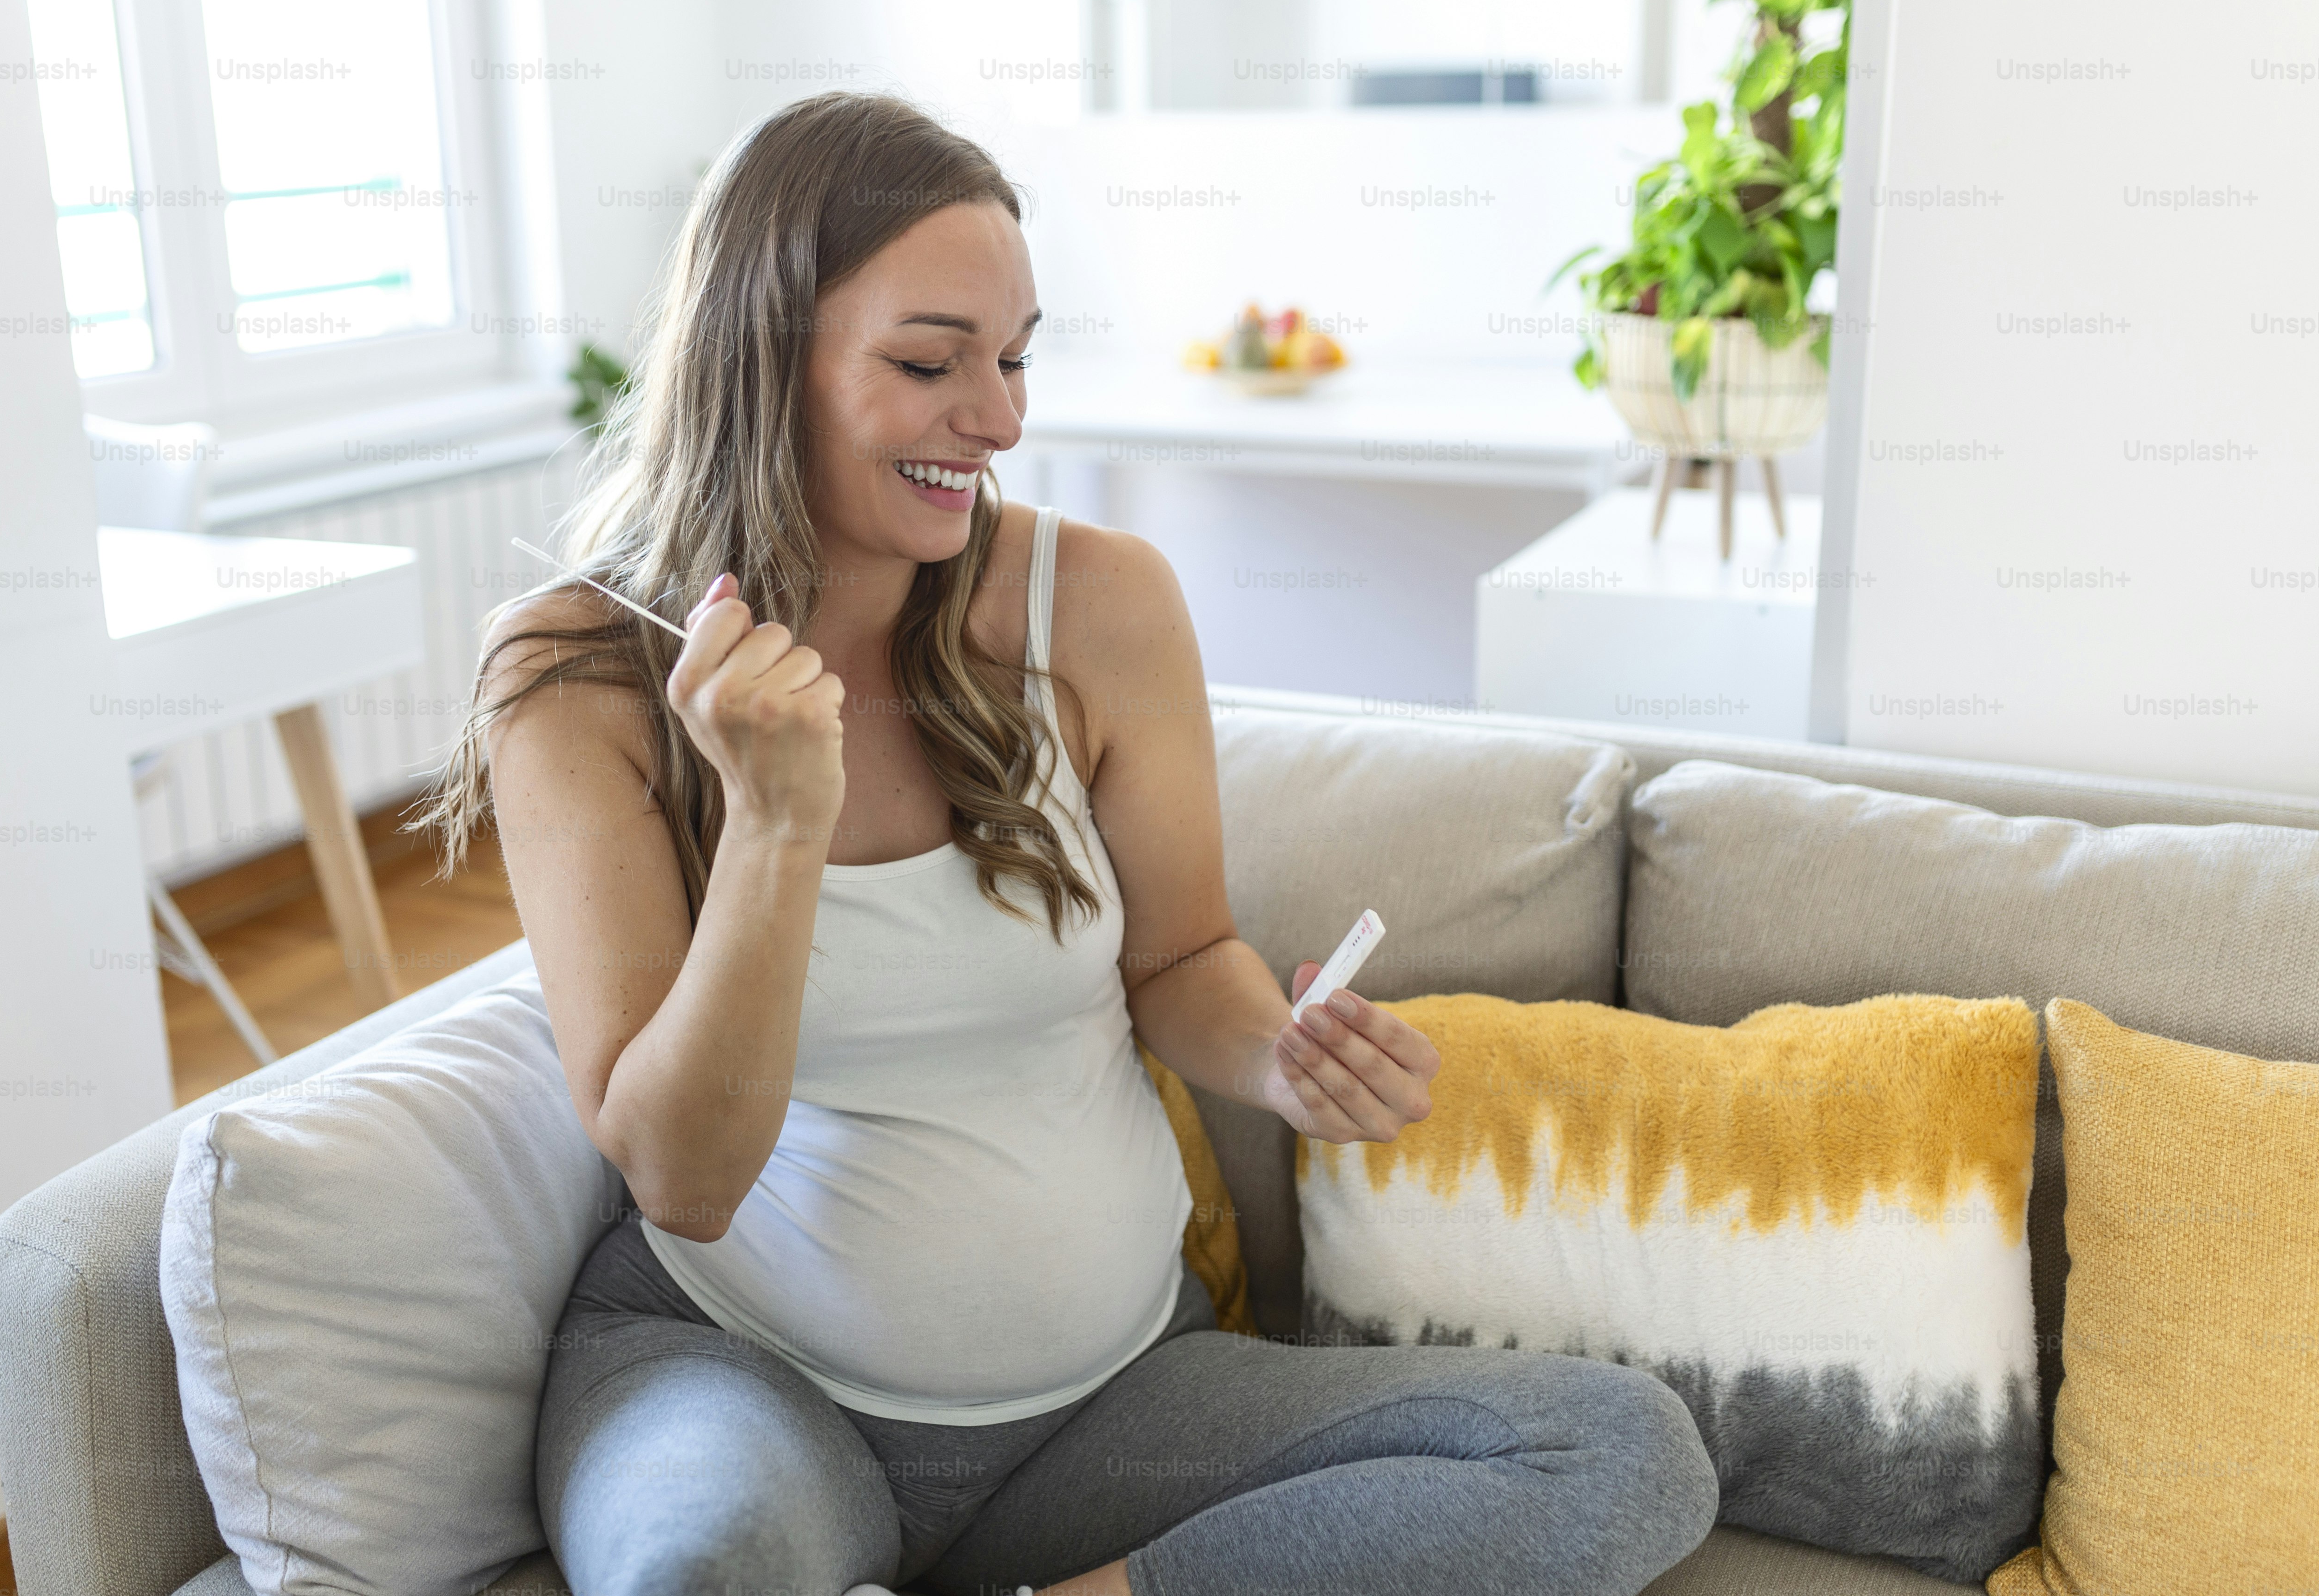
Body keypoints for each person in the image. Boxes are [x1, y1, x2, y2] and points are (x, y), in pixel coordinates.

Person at [416, 92, 1718, 1596]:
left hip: (1116, 1405)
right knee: (698, 1578)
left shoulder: (1099, 605)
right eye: (931, 362)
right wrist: (776, 825)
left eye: (1017, 357)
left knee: (1621, 1456)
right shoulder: (579, 674)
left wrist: (1276, 1055)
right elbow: (683, 1177)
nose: (1004, 419)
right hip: (744, 1380)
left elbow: (1178, 958)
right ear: (763, 356)